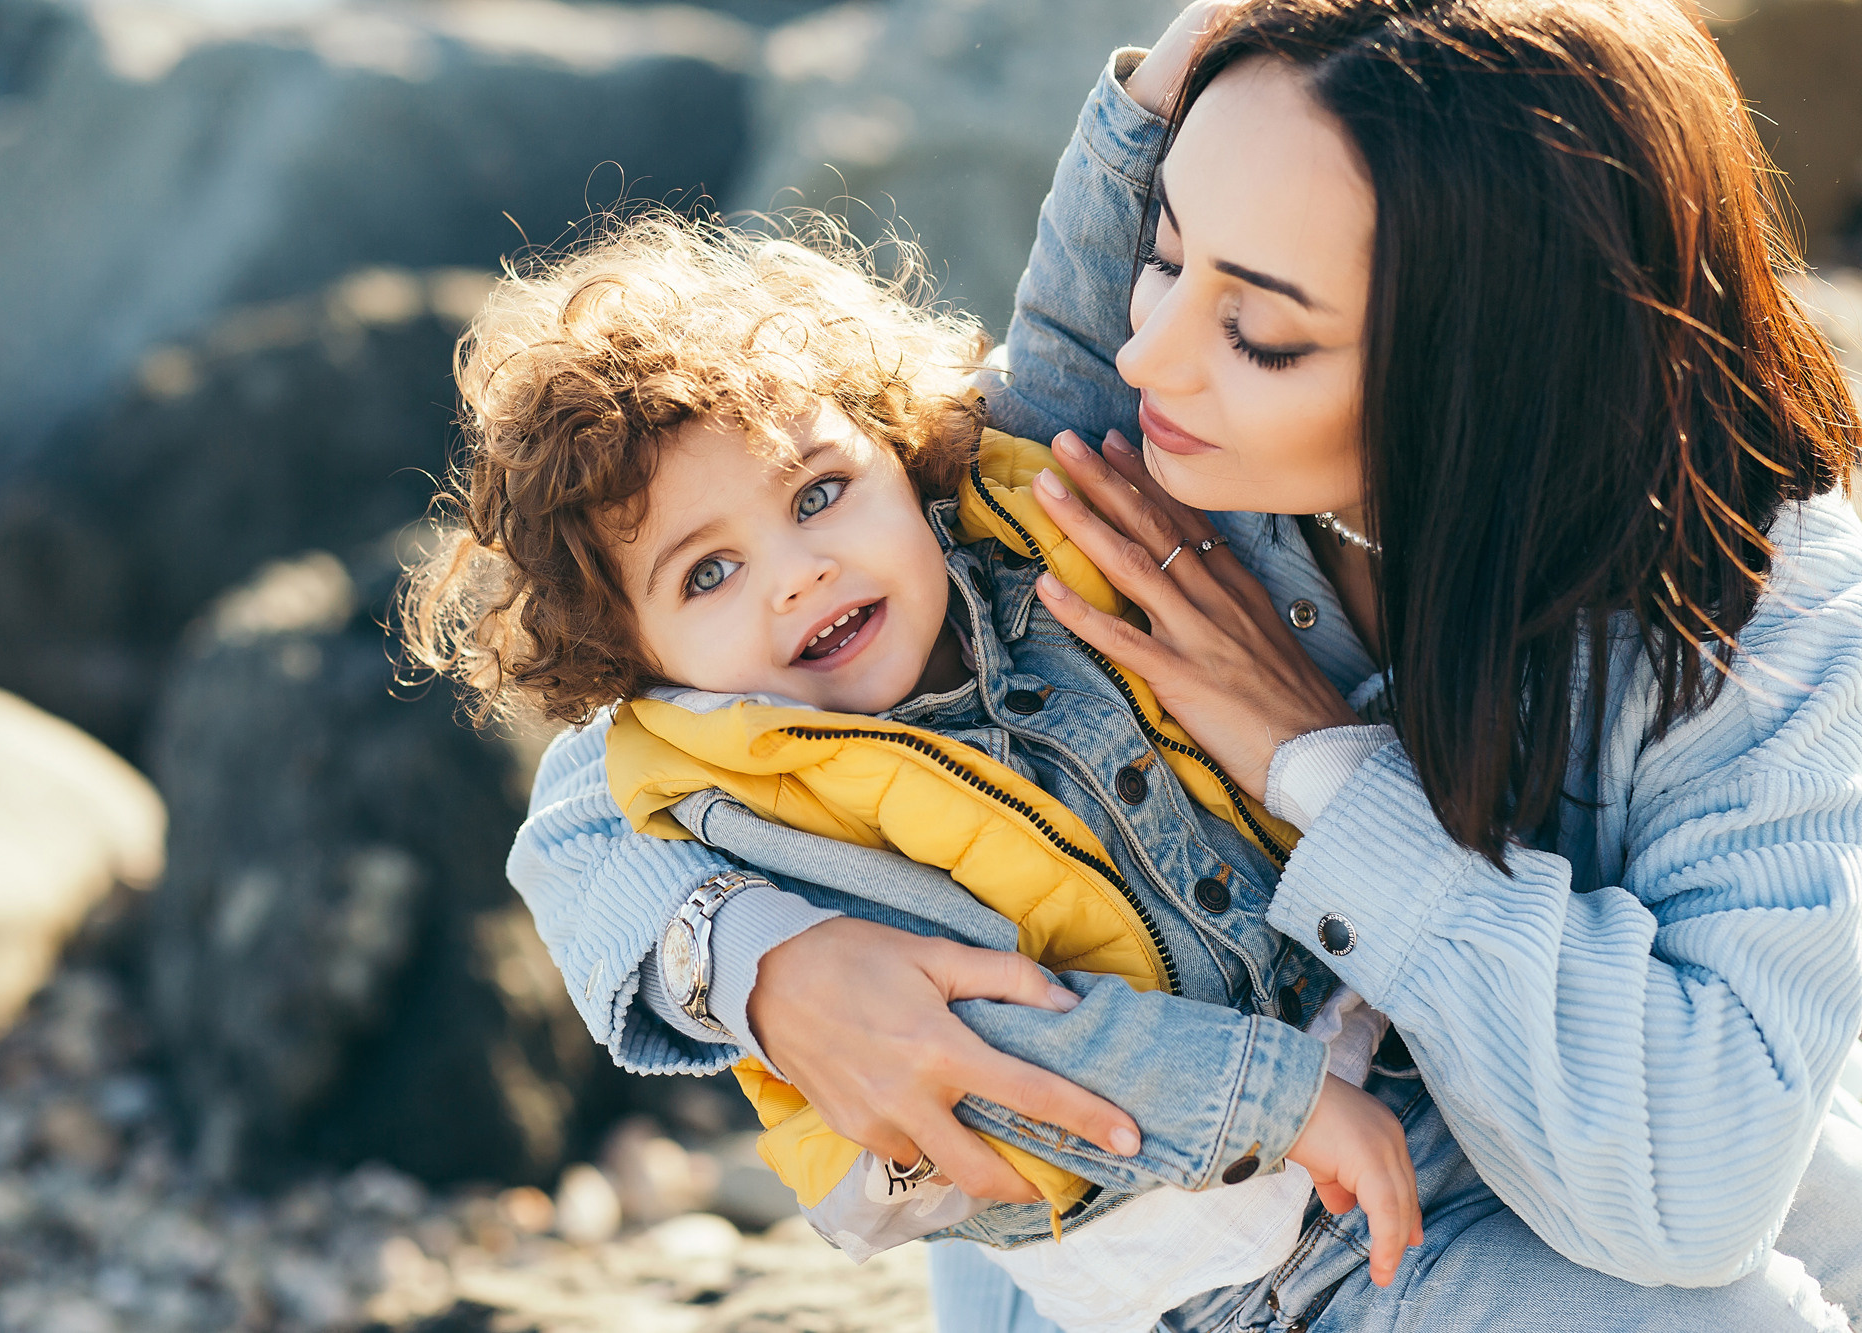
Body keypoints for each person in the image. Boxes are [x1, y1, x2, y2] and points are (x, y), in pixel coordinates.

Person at [499, 0, 1862, 1329]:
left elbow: (1695, 1183)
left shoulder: (1774, 614)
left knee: (1816, 1204)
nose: (1152, 355)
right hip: (1176, 1277)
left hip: (1520, 1188)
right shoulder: (1110, 467)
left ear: (1495, 356)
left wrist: (1323, 764)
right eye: (1164, 252)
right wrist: (762, 962)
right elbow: (601, 779)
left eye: (1263, 333)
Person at [402, 212, 1428, 1333]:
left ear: (901, 450)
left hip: (1382, 1059)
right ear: (637, 666)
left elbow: (1075, 312)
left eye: (815, 495)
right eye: (709, 574)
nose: (798, 574)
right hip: (1206, 1255)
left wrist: (1141, 104)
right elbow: (990, 1041)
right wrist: (1275, 1106)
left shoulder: (1016, 541)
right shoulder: (760, 810)